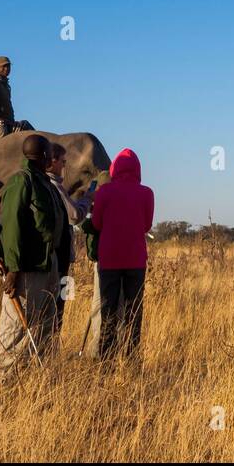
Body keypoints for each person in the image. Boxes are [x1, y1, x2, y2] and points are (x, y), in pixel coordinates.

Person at [0, 133, 61, 375]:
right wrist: (13, 269)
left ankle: (34, 383)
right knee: (15, 330)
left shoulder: (43, 183)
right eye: (50, 154)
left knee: (42, 327)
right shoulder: (21, 182)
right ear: (43, 156)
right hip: (26, 268)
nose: (53, 159)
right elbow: (11, 228)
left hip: (45, 264)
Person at [90, 148, 154, 361]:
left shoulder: (104, 192)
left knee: (108, 310)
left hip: (109, 260)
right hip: (135, 260)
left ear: (114, 168)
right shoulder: (147, 193)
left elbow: (96, 223)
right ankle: (131, 358)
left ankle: (106, 360)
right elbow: (146, 225)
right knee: (133, 311)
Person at [44, 142, 91, 349]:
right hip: (60, 257)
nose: (64, 166)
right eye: (63, 162)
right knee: (59, 301)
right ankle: (53, 345)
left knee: (63, 297)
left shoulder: (44, 184)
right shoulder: (54, 184)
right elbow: (74, 216)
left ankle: (52, 343)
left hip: (57, 256)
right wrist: (87, 199)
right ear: (52, 161)